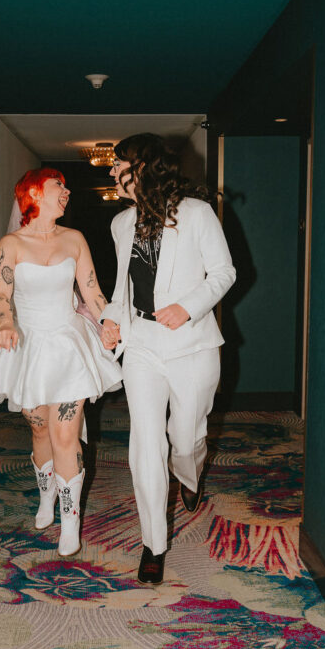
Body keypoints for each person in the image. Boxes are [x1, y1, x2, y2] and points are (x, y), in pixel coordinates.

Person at [100, 133, 236, 585]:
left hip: (191, 345)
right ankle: (153, 544)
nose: (114, 174)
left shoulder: (196, 214)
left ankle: (190, 472)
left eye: (121, 166)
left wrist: (189, 305)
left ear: (145, 167)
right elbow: (123, 286)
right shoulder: (121, 224)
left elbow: (224, 272)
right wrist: (111, 320)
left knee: (186, 436)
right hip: (141, 346)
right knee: (145, 443)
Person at [0, 168, 122, 557]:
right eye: (60, 186)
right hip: (26, 348)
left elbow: (92, 292)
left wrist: (110, 323)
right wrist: (6, 324)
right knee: (40, 429)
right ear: (35, 193)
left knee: (65, 435)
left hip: (68, 346)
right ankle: (46, 498)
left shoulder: (74, 239)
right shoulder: (11, 244)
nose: (68, 191)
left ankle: (70, 521)